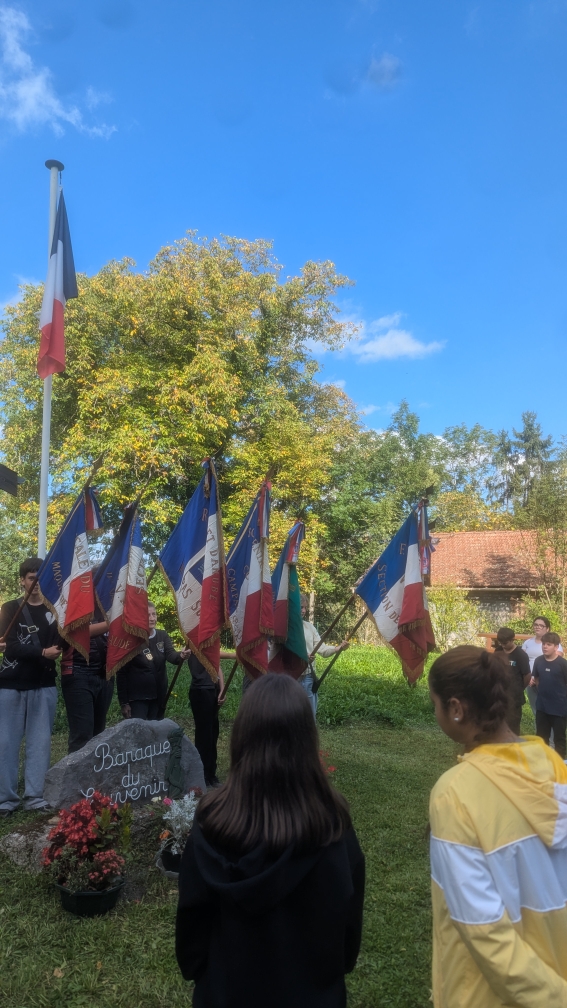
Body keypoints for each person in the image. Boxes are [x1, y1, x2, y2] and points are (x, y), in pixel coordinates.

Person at [176, 673, 365, 1008]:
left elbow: (192, 931)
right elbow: (347, 939)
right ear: (307, 739)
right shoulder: (333, 826)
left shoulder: (212, 822)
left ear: (242, 737)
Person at [429, 645, 567, 1007]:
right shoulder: (555, 767)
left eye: (435, 704)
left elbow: (485, 931)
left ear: (456, 708)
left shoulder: (454, 794)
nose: (436, 713)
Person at [0, 557, 62, 817]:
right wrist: (42, 652)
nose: (35, 582)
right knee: (6, 744)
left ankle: (35, 797)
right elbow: (10, 646)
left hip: (43, 684)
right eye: (30, 577)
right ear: (22, 581)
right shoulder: (9, 608)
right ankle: (5, 800)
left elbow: (60, 643)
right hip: (10, 685)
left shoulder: (55, 610)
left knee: (40, 744)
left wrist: (54, 650)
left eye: (40, 577)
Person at [117, 601, 188, 720]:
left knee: (156, 730)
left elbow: (171, 655)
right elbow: (121, 673)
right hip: (138, 699)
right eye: (148, 615)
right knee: (140, 730)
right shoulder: (130, 639)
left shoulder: (162, 635)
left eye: (154, 614)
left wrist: (181, 655)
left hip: (158, 697)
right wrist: (124, 702)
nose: (152, 618)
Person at [60, 613, 113, 753]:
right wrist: (114, 621)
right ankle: (76, 767)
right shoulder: (73, 604)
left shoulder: (108, 607)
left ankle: (95, 767)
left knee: (99, 734)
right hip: (78, 672)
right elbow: (78, 633)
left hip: (104, 675)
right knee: (82, 735)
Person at [300, 595, 349, 717]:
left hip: (308, 677)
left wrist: (338, 648)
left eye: (305, 608)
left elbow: (322, 649)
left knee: (309, 716)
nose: (304, 611)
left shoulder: (309, 627)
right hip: (290, 678)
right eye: (301, 607)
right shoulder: (284, 629)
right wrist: (301, 657)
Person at [188, 651, 225, 789]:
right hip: (200, 689)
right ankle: (202, 774)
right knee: (204, 735)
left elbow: (217, 665)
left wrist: (222, 689)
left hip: (213, 688)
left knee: (213, 733)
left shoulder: (211, 644)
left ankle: (211, 774)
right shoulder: (193, 642)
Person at [531, 631, 567, 759]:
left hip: (559, 709)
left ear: (556, 647)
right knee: (541, 738)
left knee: (559, 739)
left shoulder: (563, 664)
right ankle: (542, 762)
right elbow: (537, 679)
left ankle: (560, 765)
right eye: (544, 644)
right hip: (542, 707)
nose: (545, 647)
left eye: (549, 644)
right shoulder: (538, 661)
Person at [522, 616, 563, 716]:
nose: (538, 627)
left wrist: (539, 677)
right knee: (535, 708)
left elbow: (556, 661)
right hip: (530, 679)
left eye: (541, 625)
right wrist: (528, 676)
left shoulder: (554, 644)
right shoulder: (527, 642)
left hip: (547, 679)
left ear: (547, 628)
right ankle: (538, 726)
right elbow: (522, 660)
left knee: (549, 707)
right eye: (536, 624)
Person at [493, 626, 531, 734]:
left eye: (505, 643)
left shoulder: (521, 655)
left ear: (512, 639)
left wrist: (518, 688)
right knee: (497, 725)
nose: (503, 645)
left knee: (512, 727)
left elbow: (527, 675)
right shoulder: (498, 651)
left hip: (514, 698)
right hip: (499, 695)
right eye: (501, 643)